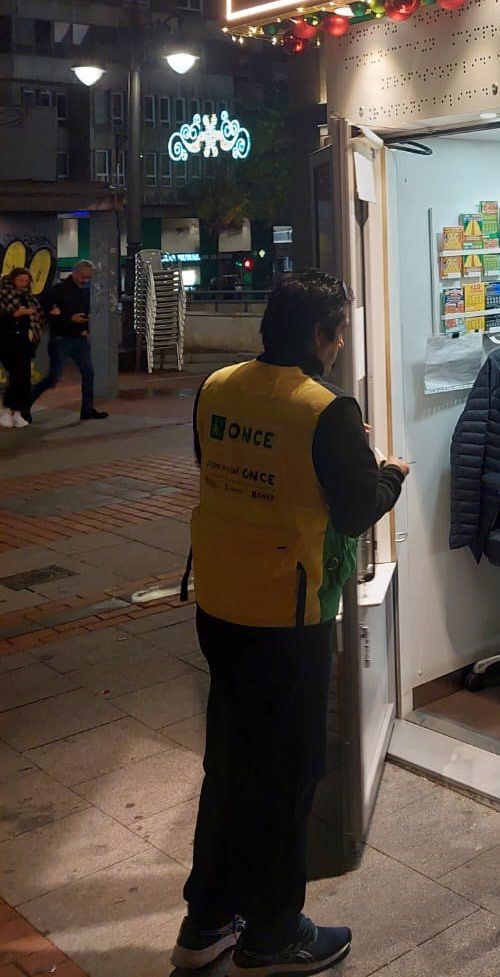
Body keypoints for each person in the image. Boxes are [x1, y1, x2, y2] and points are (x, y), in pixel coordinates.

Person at [173, 271, 409, 977]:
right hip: (288, 611)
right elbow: (354, 510)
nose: (339, 347)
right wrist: (389, 471)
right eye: (337, 333)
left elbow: (222, 467)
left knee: (230, 763)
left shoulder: (216, 388)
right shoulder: (324, 409)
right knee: (288, 773)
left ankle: (207, 920)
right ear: (319, 334)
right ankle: (274, 931)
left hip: (220, 603)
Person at [30, 259, 107, 422]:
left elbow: (85, 313)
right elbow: (44, 311)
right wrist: (68, 318)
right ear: (74, 273)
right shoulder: (57, 291)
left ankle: (87, 409)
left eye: (88, 278)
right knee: (53, 378)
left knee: (88, 373)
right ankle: (24, 405)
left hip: (79, 338)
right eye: (83, 277)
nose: (85, 281)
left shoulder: (83, 291)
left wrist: (86, 326)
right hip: (61, 339)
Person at [0, 266, 45, 428]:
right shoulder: (4, 295)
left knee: (24, 377)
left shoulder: (28, 297)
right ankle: (6, 410)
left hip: (23, 340)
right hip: (7, 339)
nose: (24, 283)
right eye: (21, 280)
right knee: (15, 376)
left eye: (26, 281)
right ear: (13, 279)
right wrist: (15, 315)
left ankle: (17, 411)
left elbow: (38, 316)